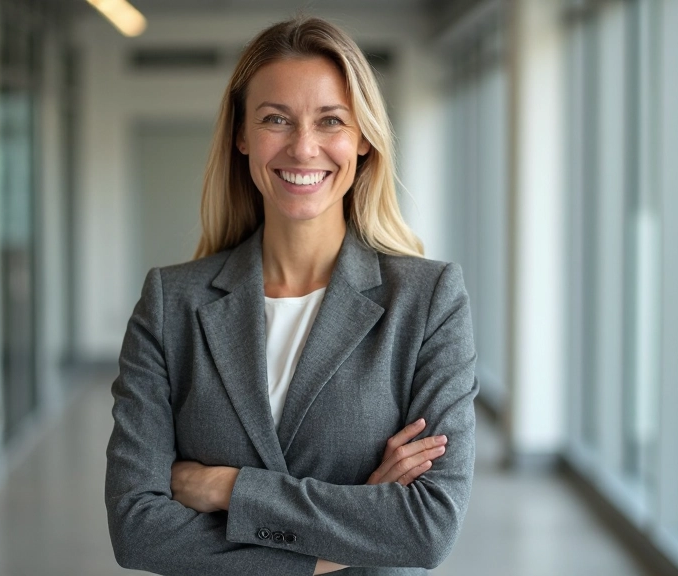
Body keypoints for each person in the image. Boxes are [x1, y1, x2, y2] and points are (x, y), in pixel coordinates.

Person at [104, 15, 478, 576]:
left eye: (331, 120)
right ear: (242, 135)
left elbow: (427, 527)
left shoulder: (428, 302)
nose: (304, 148)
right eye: (276, 119)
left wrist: (229, 488)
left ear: (363, 138)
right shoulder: (169, 304)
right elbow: (137, 531)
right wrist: (353, 532)